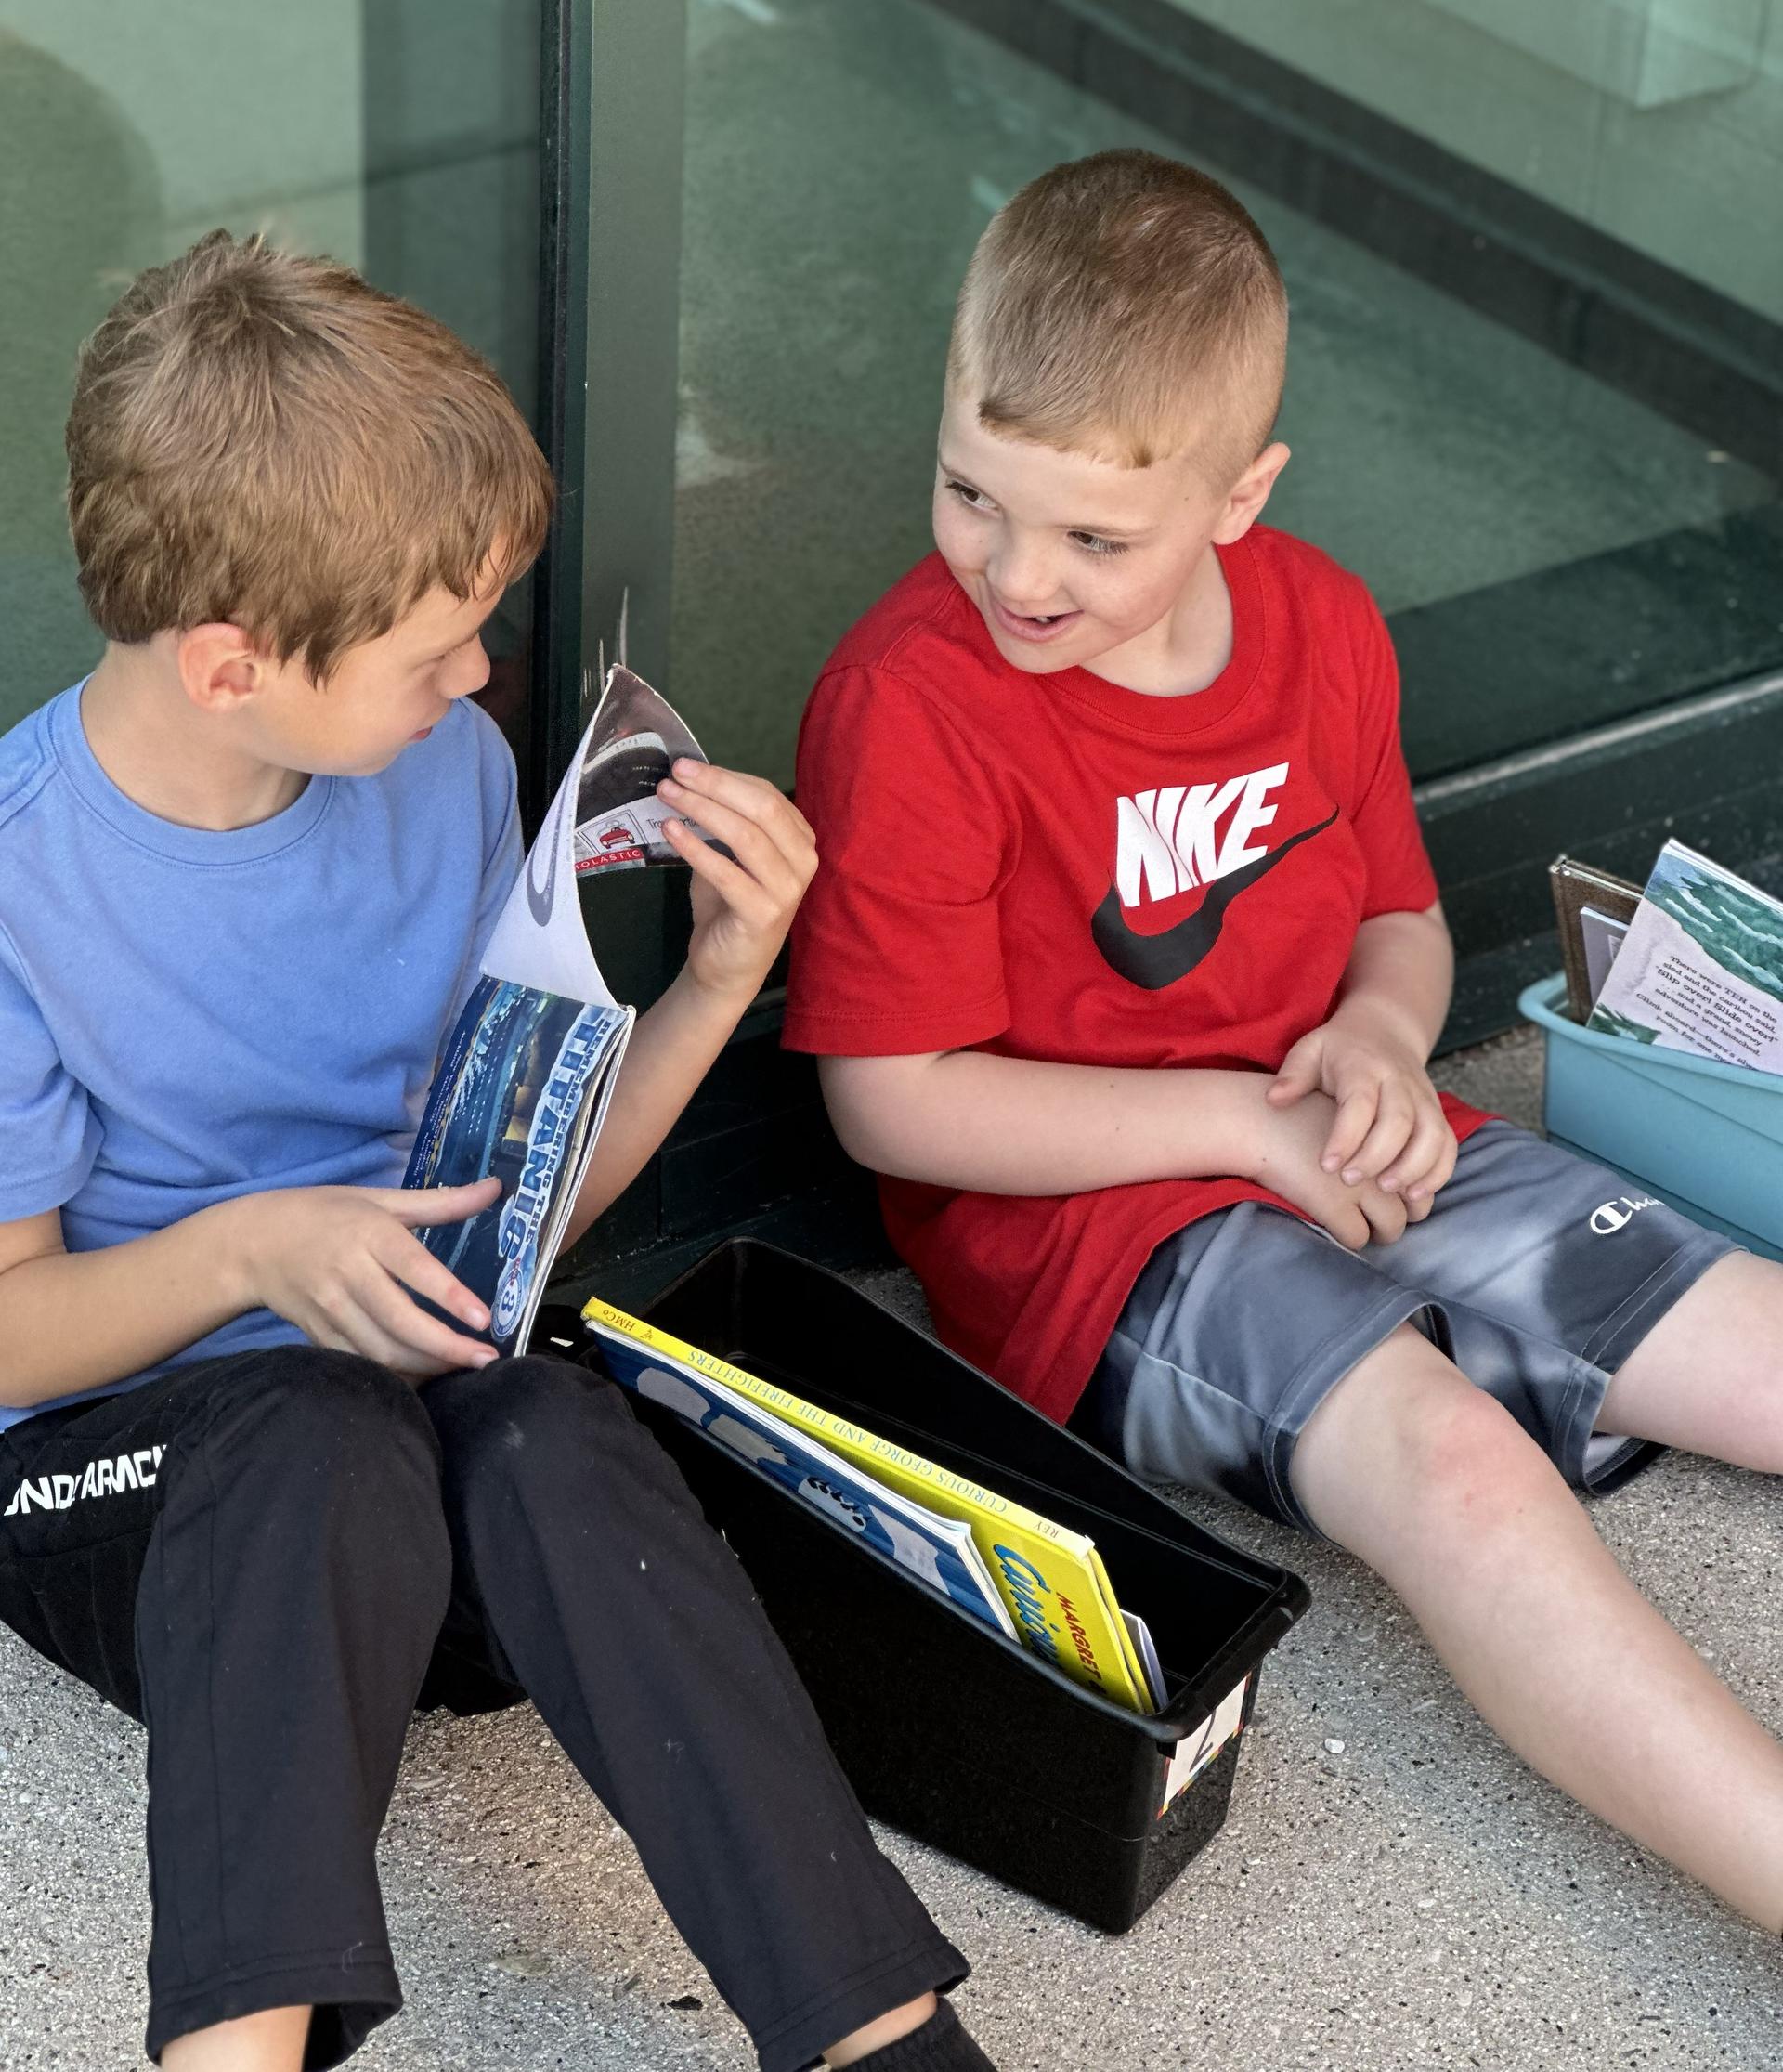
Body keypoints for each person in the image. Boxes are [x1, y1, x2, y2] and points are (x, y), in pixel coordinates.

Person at [0, 232, 998, 2072]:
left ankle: (884, 2036)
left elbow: (501, 1210)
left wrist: (712, 986)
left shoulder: (438, 770)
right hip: (124, 1501)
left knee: (552, 1422)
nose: (478, 679)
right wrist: (249, 1256)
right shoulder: (19, 889)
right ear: (230, 667)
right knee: (303, 1425)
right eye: (431, 641)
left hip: (419, 1460)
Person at [784, 150, 1783, 1938]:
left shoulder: (1318, 626)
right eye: (969, 495)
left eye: (1094, 535)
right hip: (1109, 1237)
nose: (1016, 572)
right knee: (1458, 1469)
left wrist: (1391, 1042)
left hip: (1348, 1123)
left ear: (1241, 496)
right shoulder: (909, 704)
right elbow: (895, 1106)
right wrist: (1250, 1131)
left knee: (1753, 1342)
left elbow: (1394, 913)